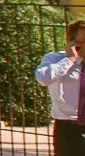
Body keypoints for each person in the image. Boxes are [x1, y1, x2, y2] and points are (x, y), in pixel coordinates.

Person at [36, 19, 85, 156]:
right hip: (68, 127)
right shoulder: (55, 59)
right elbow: (43, 79)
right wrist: (70, 59)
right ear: (72, 41)